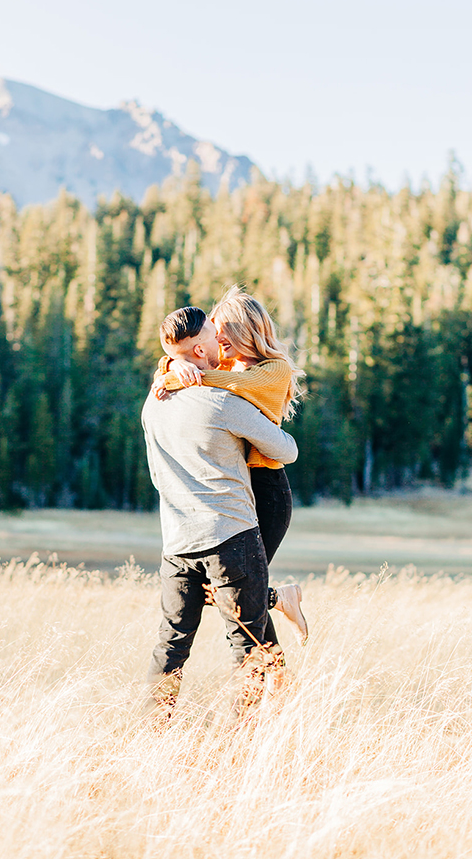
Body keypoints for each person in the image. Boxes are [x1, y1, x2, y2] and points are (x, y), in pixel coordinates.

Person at [142, 306, 299, 716]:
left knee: (171, 645)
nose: (220, 340)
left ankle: (152, 731)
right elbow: (287, 449)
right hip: (230, 535)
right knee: (248, 646)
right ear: (198, 347)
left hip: (176, 541)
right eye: (214, 334)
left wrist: (175, 369)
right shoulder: (220, 402)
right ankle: (240, 746)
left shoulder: (154, 400)